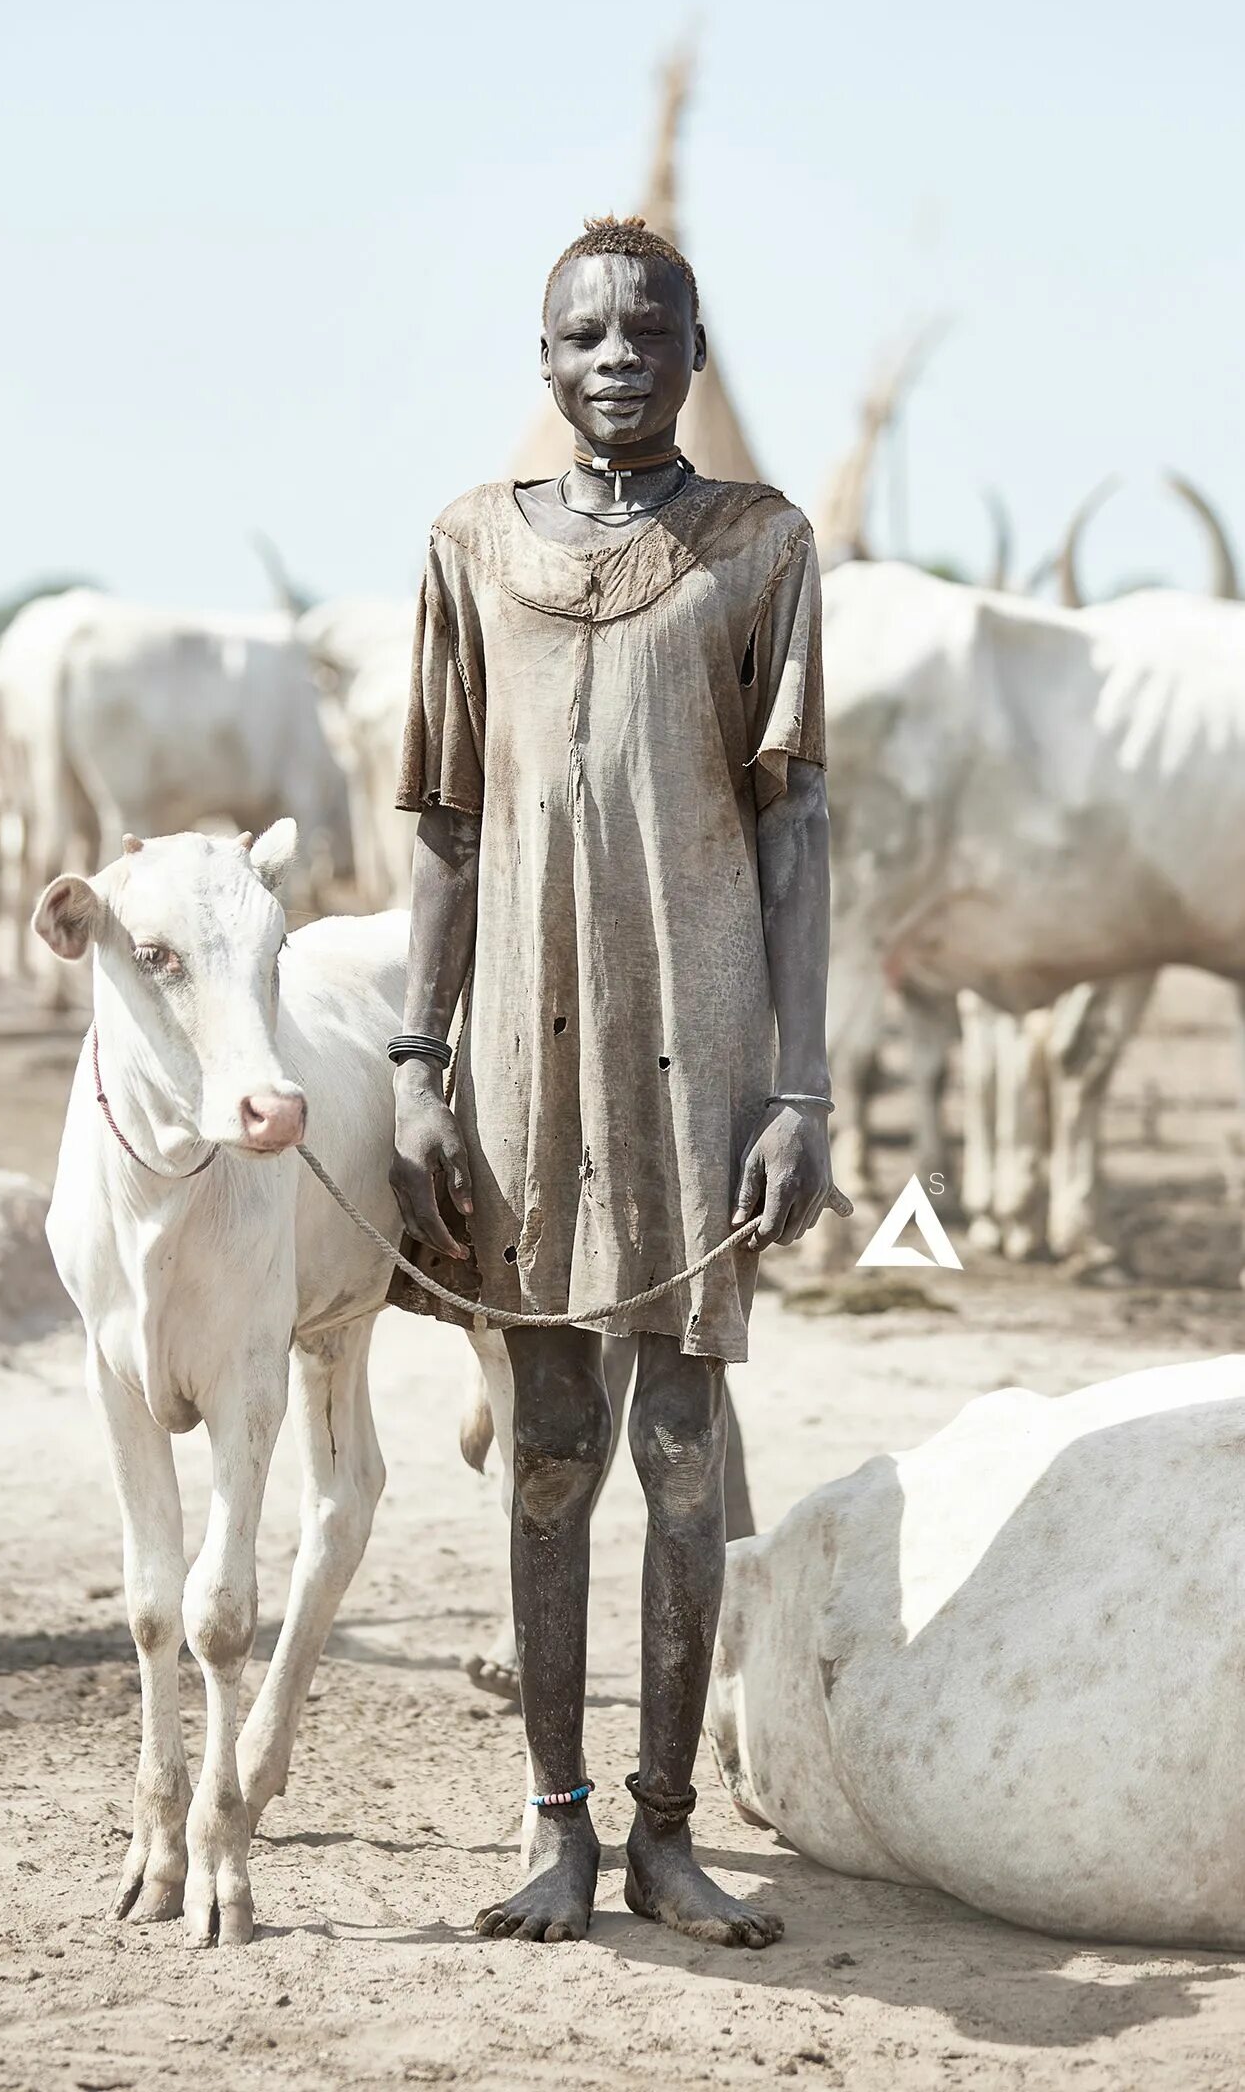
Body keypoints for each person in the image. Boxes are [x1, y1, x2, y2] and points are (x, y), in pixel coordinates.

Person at [388, 214, 838, 1948]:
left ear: (694, 354)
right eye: (580, 339)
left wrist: (798, 1092)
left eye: (644, 336)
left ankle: (666, 1830)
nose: (612, 364)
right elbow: (440, 822)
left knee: (681, 1438)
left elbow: (794, 826)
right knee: (552, 1437)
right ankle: (557, 1832)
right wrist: (420, 1063)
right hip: (516, 1057)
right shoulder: (465, 549)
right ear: (544, 359)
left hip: (699, 1055)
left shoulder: (758, 547)